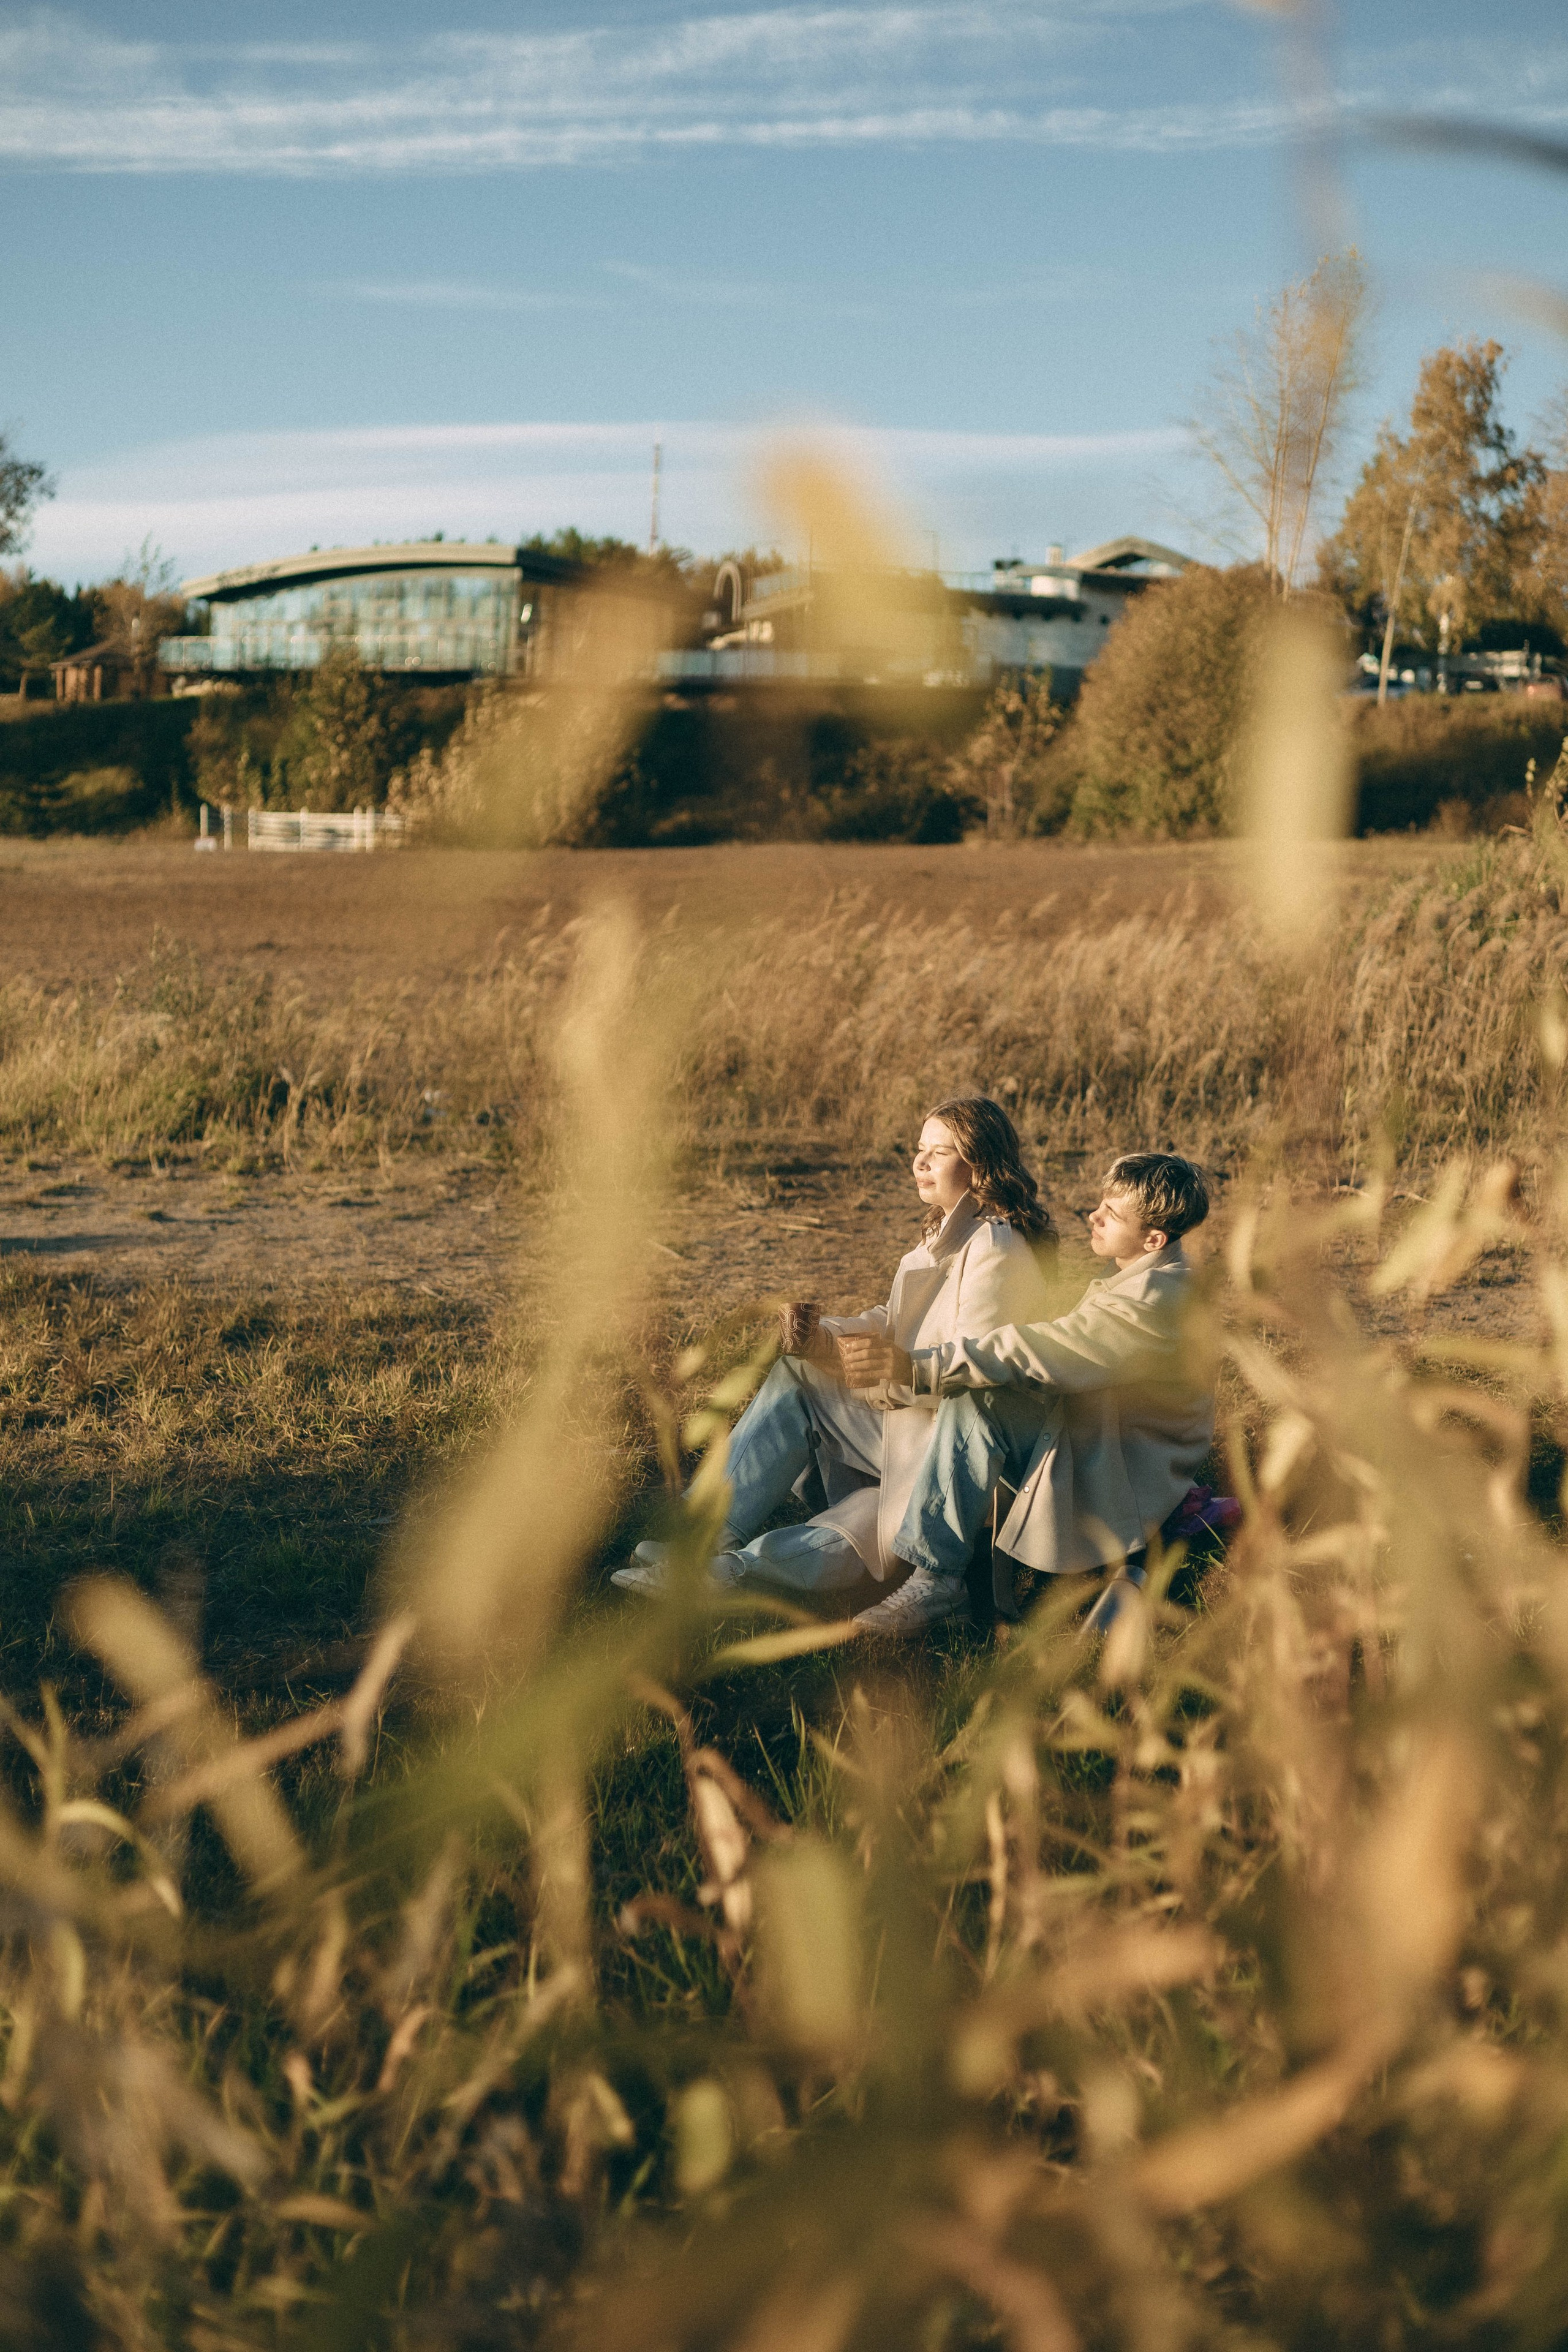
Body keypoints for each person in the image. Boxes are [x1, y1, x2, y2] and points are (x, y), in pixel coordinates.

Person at [611, 1098, 1055, 1599]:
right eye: (918, 1149)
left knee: (863, 1530)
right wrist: (823, 1338)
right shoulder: (948, 1233)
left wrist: (890, 1375)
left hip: (953, 1456)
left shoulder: (994, 1247)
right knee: (799, 1373)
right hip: (912, 1425)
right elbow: (895, 1321)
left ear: (980, 1167)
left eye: (941, 1152)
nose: (920, 1163)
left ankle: (718, 1572)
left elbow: (976, 1376)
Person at [834, 1152, 1213, 1637]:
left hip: (1124, 1472)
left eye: (1112, 1215)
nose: (1093, 1216)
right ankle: (939, 1564)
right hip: (1103, 1437)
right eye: (1101, 1204)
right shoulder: (1156, 1276)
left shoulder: (1153, 1302)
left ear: (1154, 1239)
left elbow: (1046, 1349)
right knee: (984, 1394)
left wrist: (922, 1367)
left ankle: (937, 1579)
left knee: (979, 1399)